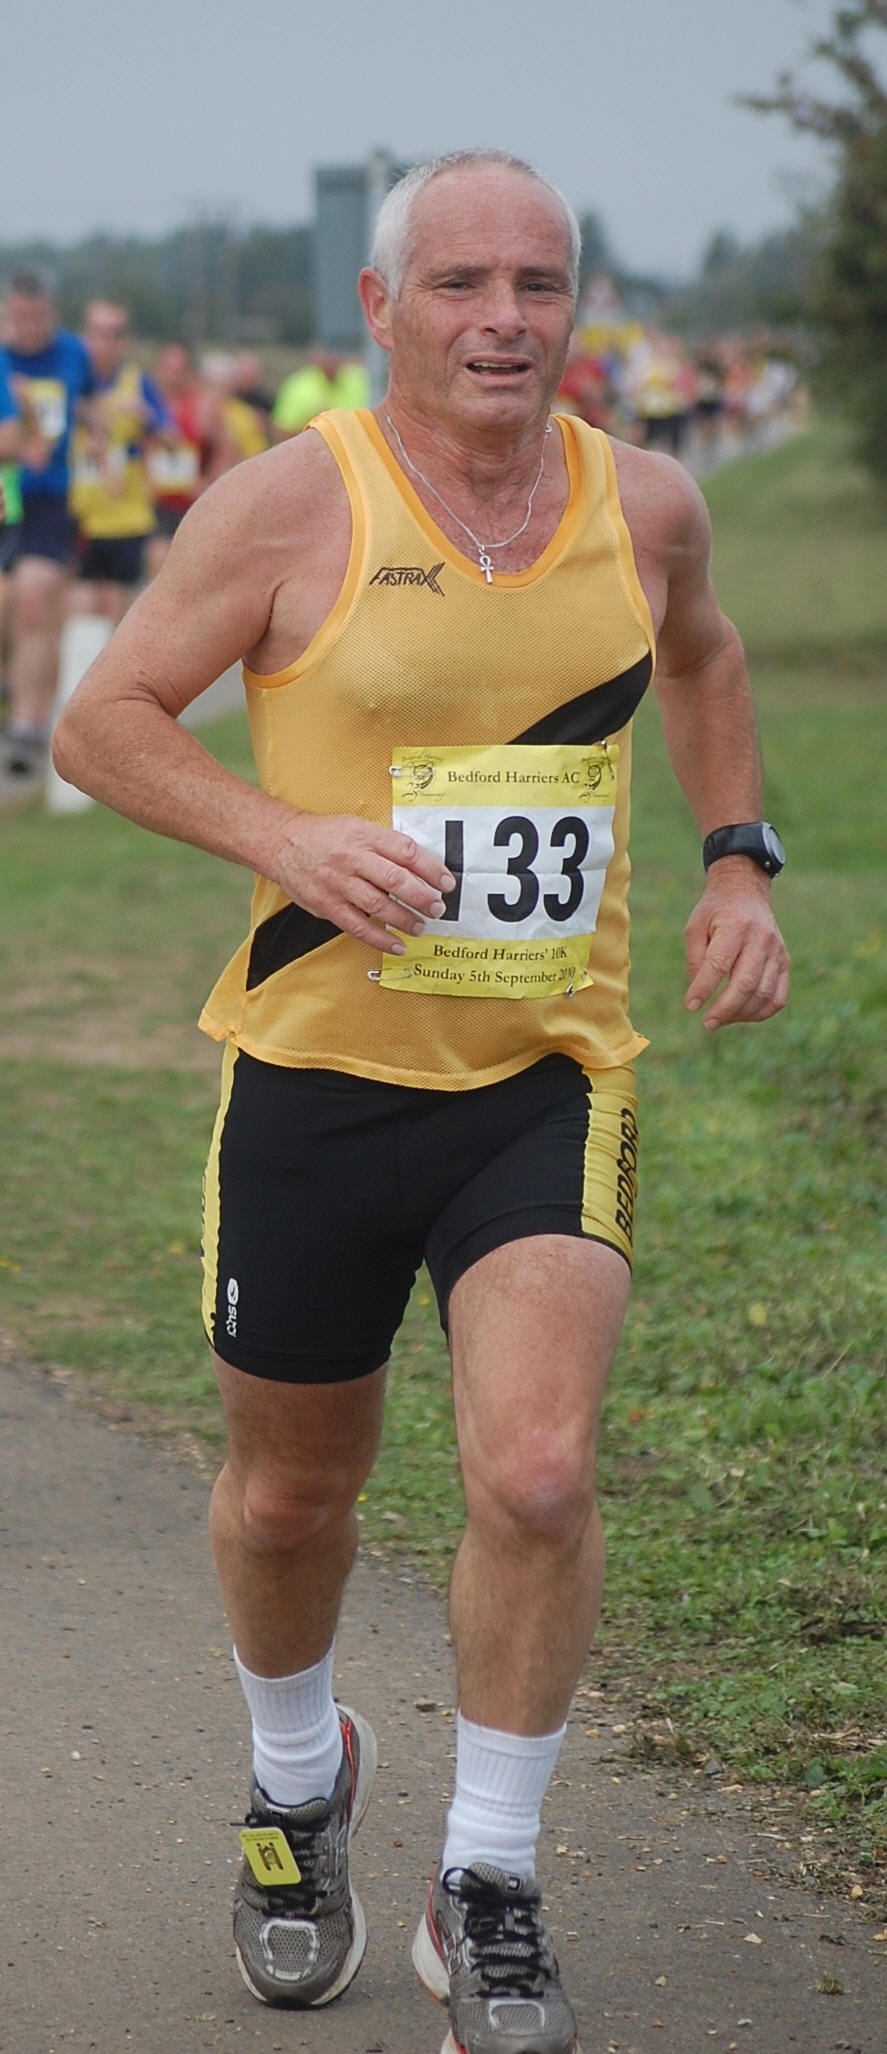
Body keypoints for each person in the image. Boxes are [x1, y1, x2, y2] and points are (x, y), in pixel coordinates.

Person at [53, 150, 789, 2054]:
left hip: (544, 1076)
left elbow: (705, 657)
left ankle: (493, 1878)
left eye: (537, 282)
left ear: (575, 304)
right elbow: (101, 720)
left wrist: (735, 857)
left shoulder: (645, 502)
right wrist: (282, 833)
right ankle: (299, 1780)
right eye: (459, 282)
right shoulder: (290, 501)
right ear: (380, 308)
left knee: (535, 1470)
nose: (502, 319)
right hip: (312, 1081)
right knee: (291, 1488)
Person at [0, 268, 94, 775]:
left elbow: (94, 401)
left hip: (51, 501)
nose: (29, 328)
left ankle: (27, 726)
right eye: (20, 318)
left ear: (53, 314)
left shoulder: (73, 355)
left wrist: (99, 433)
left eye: (37, 318)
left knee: (33, 600)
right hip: (6, 495)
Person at [68, 300, 175, 626]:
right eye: (98, 333)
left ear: (126, 340)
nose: (105, 343)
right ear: (84, 335)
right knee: (79, 610)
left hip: (126, 518)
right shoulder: (69, 381)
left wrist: (146, 417)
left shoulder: (137, 383)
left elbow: (173, 440)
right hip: (78, 515)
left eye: (114, 334)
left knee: (116, 614)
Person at [271, 347, 370, 438]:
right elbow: (281, 433)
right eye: (327, 356)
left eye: (334, 356)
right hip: (313, 447)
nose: (331, 361)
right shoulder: (298, 386)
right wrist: (313, 425)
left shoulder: (359, 379)